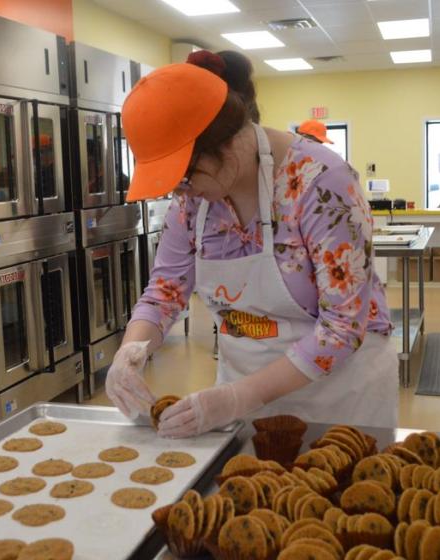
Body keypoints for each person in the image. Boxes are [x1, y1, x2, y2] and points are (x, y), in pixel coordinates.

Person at [105, 50, 397, 438]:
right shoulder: (193, 200)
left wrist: (236, 398)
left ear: (229, 144)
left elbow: (343, 326)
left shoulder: (321, 182)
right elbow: (164, 292)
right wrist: (132, 350)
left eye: (186, 178)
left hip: (340, 395)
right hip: (241, 391)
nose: (183, 193)